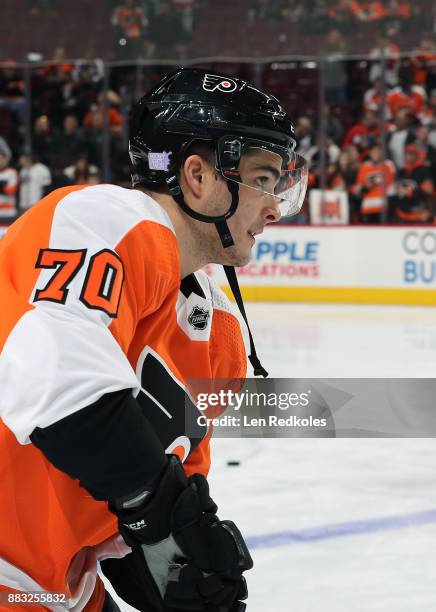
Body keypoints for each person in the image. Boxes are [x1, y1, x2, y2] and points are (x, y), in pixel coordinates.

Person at [0, 68, 308, 612]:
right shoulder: (102, 220)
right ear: (197, 175)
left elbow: (153, 486)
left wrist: (181, 569)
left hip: (57, 588)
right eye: (263, 178)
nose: (273, 207)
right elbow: (58, 389)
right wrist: (168, 519)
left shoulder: (220, 330)